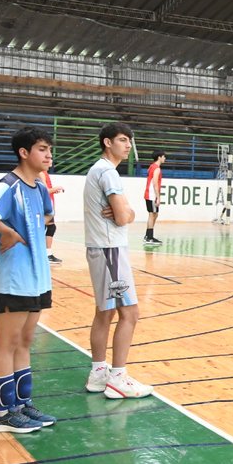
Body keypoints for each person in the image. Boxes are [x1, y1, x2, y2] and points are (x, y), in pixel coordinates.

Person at [0, 127, 58, 432]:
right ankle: (2, 414)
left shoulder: (37, 187)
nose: (48, 155)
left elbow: (48, 217)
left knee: (25, 340)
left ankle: (22, 404)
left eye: (50, 149)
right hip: (14, 277)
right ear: (24, 153)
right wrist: (7, 231)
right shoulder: (8, 184)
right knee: (6, 342)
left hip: (37, 277)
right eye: (42, 149)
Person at [83, 123, 152, 399]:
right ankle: (118, 379)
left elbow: (123, 213)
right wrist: (128, 212)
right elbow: (123, 217)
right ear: (107, 142)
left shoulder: (96, 170)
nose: (128, 145)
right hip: (111, 249)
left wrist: (126, 212)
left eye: (130, 141)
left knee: (105, 312)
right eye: (123, 140)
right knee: (130, 314)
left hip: (100, 248)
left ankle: (99, 373)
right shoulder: (107, 172)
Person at [41, 168, 64, 265]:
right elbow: (45, 191)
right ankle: (47, 254)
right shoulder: (41, 173)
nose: (50, 160)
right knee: (49, 227)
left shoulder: (44, 173)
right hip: (44, 205)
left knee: (48, 227)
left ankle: (45, 254)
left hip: (47, 205)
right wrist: (56, 188)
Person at [143, 150, 165, 246]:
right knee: (153, 215)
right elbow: (155, 183)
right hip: (152, 195)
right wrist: (158, 197)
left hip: (148, 194)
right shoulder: (157, 169)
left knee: (153, 214)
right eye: (164, 156)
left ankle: (148, 235)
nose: (165, 158)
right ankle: (150, 237)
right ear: (159, 157)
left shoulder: (151, 166)